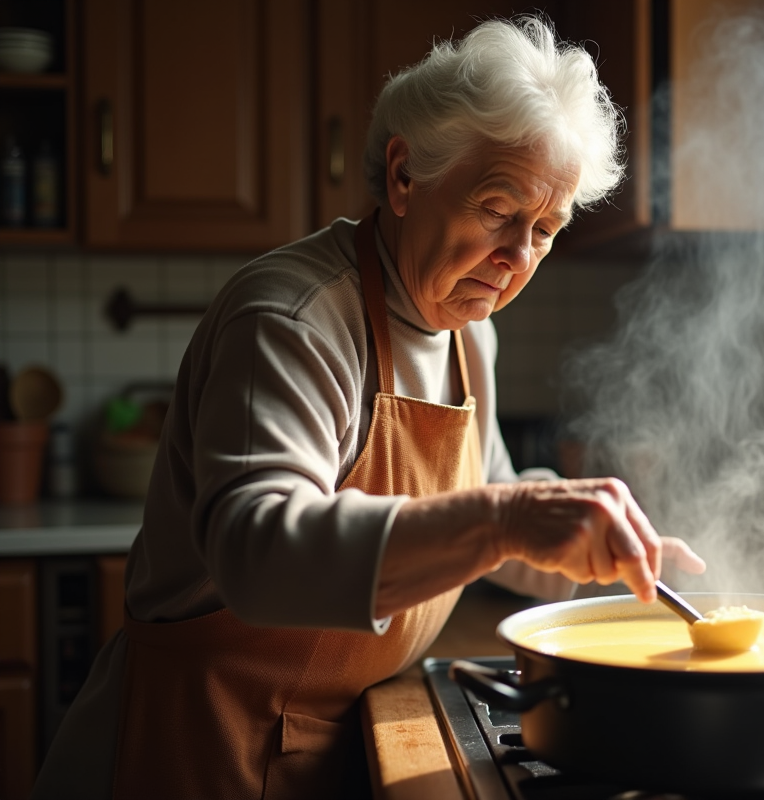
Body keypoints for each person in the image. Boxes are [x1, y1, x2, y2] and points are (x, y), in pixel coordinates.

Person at [33, 17, 705, 800]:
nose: (519, 257)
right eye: (498, 209)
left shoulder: (465, 335)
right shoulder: (293, 317)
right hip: (195, 748)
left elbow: (496, 518)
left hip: (325, 735)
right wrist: (508, 518)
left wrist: (615, 558)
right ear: (403, 176)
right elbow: (257, 550)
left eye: (545, 230)